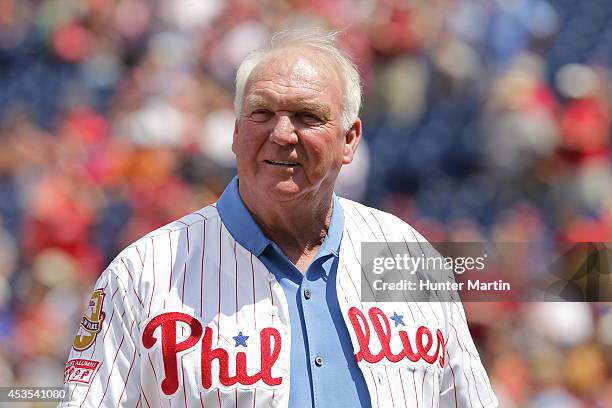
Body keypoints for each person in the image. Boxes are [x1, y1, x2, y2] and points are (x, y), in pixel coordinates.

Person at [60, 29, 498, 408]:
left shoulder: (404, 255)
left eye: (307, 116)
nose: (282, 133)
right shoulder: (144, 273)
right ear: (235, 131)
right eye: (261, 113)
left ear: (349, 140)